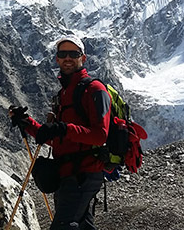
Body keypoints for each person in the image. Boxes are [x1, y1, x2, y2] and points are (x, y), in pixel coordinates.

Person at [9, 35, 112, 230]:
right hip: (67, 175)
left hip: (83, 174)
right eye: (63, 54)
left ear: (83, 57)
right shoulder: (63, 94)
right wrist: (27, 123)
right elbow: (60, 140)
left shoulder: (94, 89)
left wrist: (64, 128)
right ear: (56, 59)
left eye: (73, 54)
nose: (67, 58)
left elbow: (100, 135)